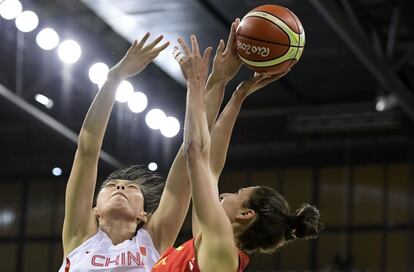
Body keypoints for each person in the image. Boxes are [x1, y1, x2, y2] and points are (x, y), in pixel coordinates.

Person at [152, 34, 323, 272]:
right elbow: (210, 167)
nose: (227, 193)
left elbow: (195, 152)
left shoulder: (221, 249)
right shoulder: (213, 243)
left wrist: (195, 82)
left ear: (245, 213)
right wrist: (236, 93)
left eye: (239, 193)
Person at [58, 33, 191, 271]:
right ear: (94, 210)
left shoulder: (153, 241)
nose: (120, 187)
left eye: (131, 188)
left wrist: (203, 91)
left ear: (144, 215)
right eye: (111, 185)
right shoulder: (79, 236)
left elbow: (187, 164)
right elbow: (87, 150)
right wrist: (115, 77)